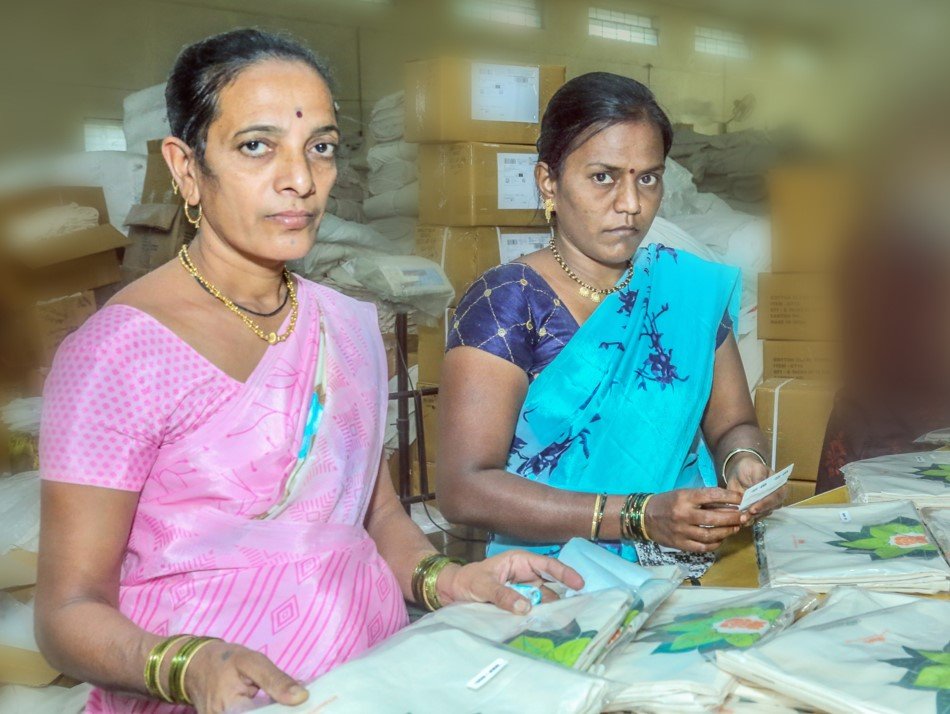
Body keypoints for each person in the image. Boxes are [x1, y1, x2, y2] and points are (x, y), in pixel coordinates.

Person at [34, 29, 580, 714]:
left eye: (319, 147)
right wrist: (185, 664)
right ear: (184, 167)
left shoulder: (348, 326)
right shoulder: (118, 353)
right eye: (256, 146)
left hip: (368, 680)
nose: (300, 180)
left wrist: (448, 581)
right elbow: (65, 612)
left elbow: (376, 518)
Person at [437, 72, 784, 576]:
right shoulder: (507, 302)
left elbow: (733, 423)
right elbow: (465, 488)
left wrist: (743, 463)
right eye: (603, 177)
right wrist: (638, 516)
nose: (631, 203)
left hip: (692, 565)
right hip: (557, 580)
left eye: (648, 177)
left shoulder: (683, 290)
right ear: (548, 182)